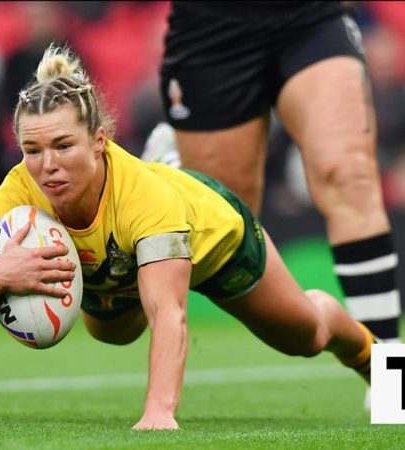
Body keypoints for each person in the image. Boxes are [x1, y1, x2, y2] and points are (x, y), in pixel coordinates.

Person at [0, 44, 377, 430]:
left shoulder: (145, 198)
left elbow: (169, 313)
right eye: (33, 150)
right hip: (123, 264)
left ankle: (385, 365)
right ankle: (161, 171)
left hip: (216, 237)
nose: (47, 165)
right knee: (113, 334)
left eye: (64, 145)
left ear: (100, 141)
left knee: (307, 337)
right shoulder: (10, 200)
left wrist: (159, 413)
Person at [151, 0, 402, 390]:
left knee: (349, 173)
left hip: (310, 16)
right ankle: (169, 166)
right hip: (211, 28)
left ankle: (390, 378)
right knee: (222, 226)